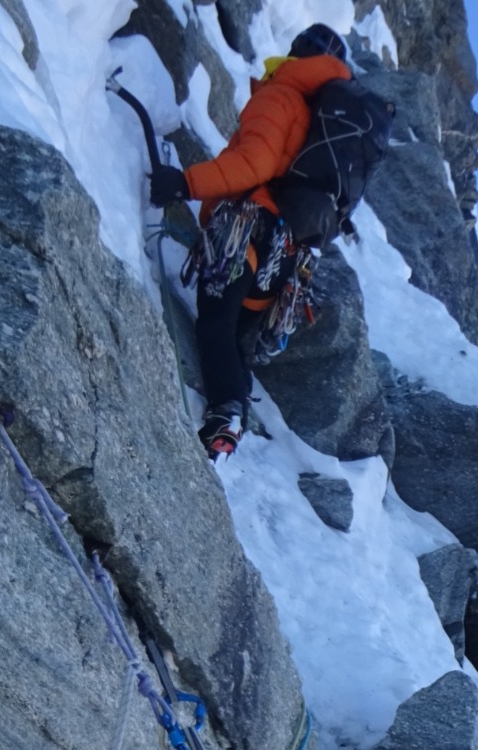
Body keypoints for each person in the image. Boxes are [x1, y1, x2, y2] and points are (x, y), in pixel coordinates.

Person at [150, 23, 352, 459]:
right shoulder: (325, 123)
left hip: (246, 233)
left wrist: (185, 183)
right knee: (232, 335)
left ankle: (226, 415)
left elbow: (254, 163)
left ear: (298, 51)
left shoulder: (284, 96)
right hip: (287, 260)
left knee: (215, 323)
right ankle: (229, 418)